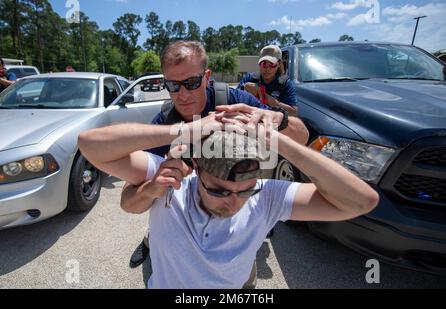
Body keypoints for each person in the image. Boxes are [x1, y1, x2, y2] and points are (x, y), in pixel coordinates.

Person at [78, 114, 380, 289]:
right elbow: (89, 144)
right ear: (196, 166)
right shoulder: (170, 179)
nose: (234, 203)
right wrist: (185, 130)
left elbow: (361, 202)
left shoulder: (269, 196)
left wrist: (280, 142)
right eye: (219, 191)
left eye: (245, 190)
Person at [124, 41, 310, 269]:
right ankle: (150, 239)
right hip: (183, 219)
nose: (182, 95)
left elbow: (302, 136)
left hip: (232, 215)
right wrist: (150, 189)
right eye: (172, 85)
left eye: (191, 83)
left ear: (206, 77)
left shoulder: (233, 103)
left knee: (242, 279)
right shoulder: (165, 121)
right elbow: (128, 202)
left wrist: (278, 118)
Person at [238, 45, 298, 116]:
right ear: (259, 64)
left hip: (275, 123)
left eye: (272, 64)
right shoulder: (249, 78)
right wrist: (244, 89)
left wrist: (263, 95)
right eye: (263, 64)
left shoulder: (286, 83)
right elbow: (234, 100)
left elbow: (294, 113)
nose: (267, 69)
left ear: (279, 64)